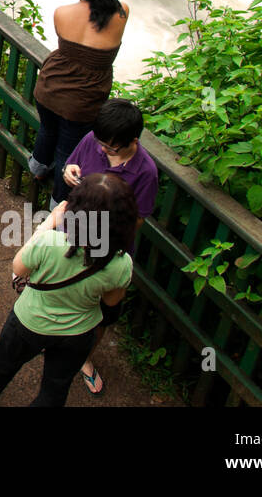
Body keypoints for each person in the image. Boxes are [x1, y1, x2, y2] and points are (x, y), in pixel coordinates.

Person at [0, 172, 136, 407]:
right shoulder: (121, 264)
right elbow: (112, 302)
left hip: (30, 321)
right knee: (56, 386)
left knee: (3, 364)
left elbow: (19, 267)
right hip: (78, 332)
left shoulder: (51, 242)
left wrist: (48, 223)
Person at [58, 98, 158, 394]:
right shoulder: (93, 139)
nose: (103, 150)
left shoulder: (146, 172)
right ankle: (55, 338)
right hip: (73, 236)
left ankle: (84, 357)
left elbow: (138, 219)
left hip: (109, 249)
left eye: (110, 147)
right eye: (101, 143)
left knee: (103, 310)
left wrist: (102, 226)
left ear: (132, 141)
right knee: (64, 289)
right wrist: (69, 171)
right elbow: (72, 163)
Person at [29, 0, 130, 195]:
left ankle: (38, 168)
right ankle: (58, 204)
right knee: (69, 153)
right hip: (84, 101)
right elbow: (105, 12)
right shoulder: (122, 12)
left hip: (49, 87)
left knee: (47, 129)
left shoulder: (62, 14)